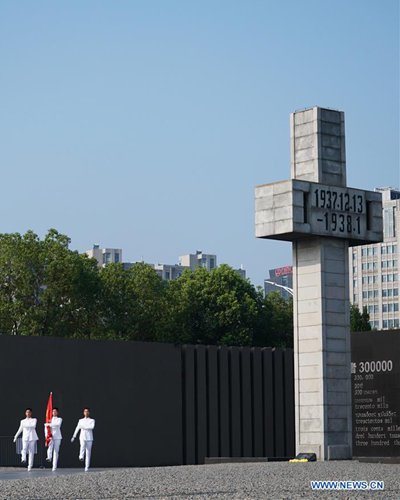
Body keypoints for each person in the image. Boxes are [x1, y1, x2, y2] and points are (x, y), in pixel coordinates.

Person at [71, 407, 95, 472]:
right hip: (82, 436)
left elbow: (91, 427)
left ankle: (86, 467)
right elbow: (77, 428)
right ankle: (81, 456)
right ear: (83, 413)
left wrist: (83, 427)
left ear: (89, 412)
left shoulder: (92, 420)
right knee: (82, 446)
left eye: (87, 411)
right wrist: (74, 436)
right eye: (85, 411)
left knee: (88, 452)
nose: (86, 413)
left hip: (89, 437)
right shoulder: (80, 420)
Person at [44, 407, 63, 471]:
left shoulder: (59, 419)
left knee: (56, 451)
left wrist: (49, 424)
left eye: (55, 411)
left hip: (57, 436)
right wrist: (46, 436)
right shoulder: (49, 419)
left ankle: (54, 466)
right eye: (53, 411)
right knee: (50, 447)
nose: (54, 412)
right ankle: (49, 457)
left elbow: (57, 425)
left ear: (57, 412)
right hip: (50, 436)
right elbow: (46, 428)